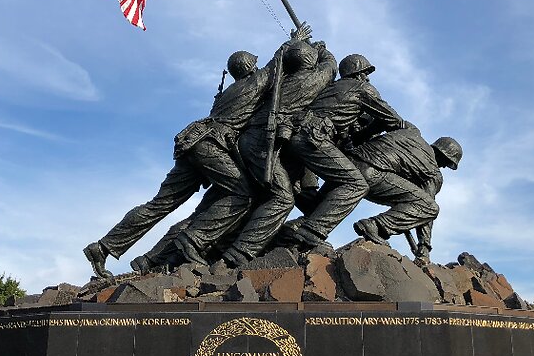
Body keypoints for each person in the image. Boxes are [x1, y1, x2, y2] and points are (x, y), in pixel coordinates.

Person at [82, 48, 274, 279]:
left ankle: (103, 247)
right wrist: (298, 39)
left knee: (159, 204)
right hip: (211, 146)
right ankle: (193, 240)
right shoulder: (254, 82)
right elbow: (278, 63)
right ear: (249, 67)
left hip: (193, 142)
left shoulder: (227, 93)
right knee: (243, 195)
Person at [220, 38, 337, 266]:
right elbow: (331, 66)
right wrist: (321, 49)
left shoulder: (277, 83)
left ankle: (294, 237)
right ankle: (236, 255)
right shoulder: (310, 80)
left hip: (262, 144)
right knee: (283, 198)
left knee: (289, 194)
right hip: (262, 143)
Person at [277, 53, 408, 250]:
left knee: (307, 195)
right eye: (366, 73)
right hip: (313, 137)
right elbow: (393, 120)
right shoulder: (363, 89)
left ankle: (290, 230)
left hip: (294, 136)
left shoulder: (330, 88)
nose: (368, 78)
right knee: (355, 184)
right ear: (359, 74)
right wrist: (371, 132)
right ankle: (311, 232)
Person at [345, 127, 462, 264]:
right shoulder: (432, 171)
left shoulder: (412, 137)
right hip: (373, 175)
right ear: (444, 155)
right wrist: (424, 248)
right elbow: (426, 207)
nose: (443, 167)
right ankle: (375, 225)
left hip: (349, 163)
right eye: (447, 163)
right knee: (430, 207)